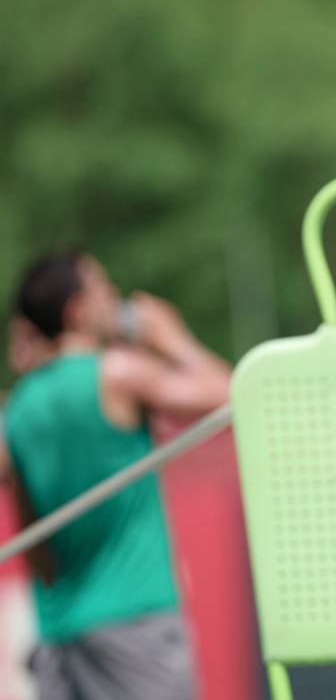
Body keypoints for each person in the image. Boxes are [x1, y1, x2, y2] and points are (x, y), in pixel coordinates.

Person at [3, 251, 231, 700]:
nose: (114, 297)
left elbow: (36, 549)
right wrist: (175, 339)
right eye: (102, 288)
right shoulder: (117, 372)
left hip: (60, 631)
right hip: (135, 621)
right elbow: (227, 395)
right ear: (77, 310)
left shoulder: (19, 407)